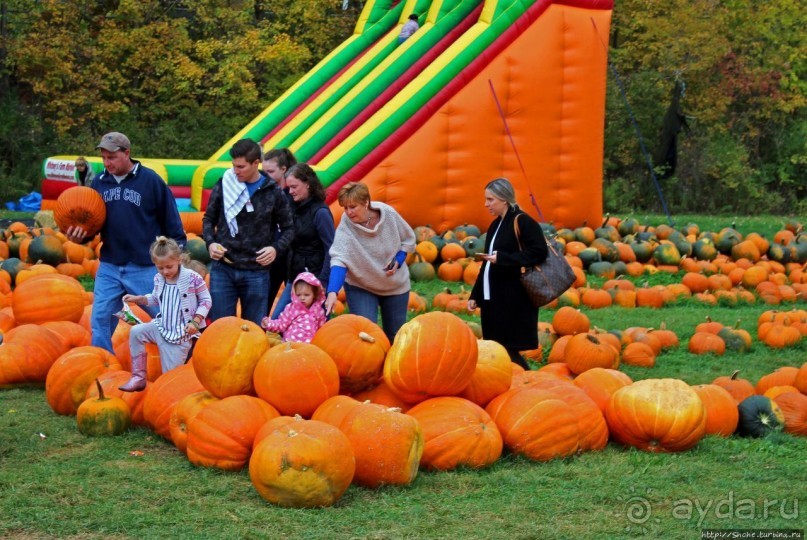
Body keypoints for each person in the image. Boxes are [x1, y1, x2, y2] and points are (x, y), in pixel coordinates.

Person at [65, 132, 187, 353]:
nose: (106, 162)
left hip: (145, 266)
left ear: (127, 153)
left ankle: (183, 359)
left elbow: (172, 224)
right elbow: (92, 224)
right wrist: (79, 236)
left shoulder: (150, 181)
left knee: (166, 316)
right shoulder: (99, 183)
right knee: (100, 319)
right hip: (111, 265)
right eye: (103, 157)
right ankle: (101, 365)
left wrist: (176, 257)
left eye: (111, 157)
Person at [202, 139, 294, 325]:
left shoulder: (273, 191)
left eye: (241, 167)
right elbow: (208, 219)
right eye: (234, 166)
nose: (236, 171)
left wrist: (276, 249)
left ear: (255, 163)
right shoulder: (224, 184)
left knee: (252, 329)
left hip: (256, 271)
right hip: (223, 268)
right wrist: (210, 242)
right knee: (221, 329)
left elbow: (289, 229)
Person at [467, 178, 548, 370]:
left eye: (490, 199)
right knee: (497, 346)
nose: (486, 204)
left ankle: (528, 379)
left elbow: (539, 252)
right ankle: (515, 383)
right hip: (492, 298)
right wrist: (476, 295)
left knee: (507, 348)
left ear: (504, 199)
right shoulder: (496, 225)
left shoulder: (523, 221)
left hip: (513, 297)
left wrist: (503, 258)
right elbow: (487, 263)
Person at [324, 182, 416, 342]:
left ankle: (392, 367)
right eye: (345, 207)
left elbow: (408, 239)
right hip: (361, 285)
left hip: (394, 284)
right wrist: (332, 291)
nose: (348, 212)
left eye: (353, 207)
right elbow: (339, 258)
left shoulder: (388, 214)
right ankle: (370, 368)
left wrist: (399, 260)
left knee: (395, 336)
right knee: (365, 336)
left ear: (366, 202)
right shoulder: (346, 225)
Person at [118, 237, 212, 392]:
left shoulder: (192, 278)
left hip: (179, 334)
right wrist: (139, 299)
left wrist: (195, 321)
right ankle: (138, 377)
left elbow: (206, 300)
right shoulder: (159, 278)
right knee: (135, 332)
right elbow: (155, 298)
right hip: (161, 327)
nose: (165, 271)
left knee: (170, 380)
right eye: (160, 268)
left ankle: (174, 404)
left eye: (169, 267)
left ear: (179, 259)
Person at [270, 163, 334, 318]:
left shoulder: (320, 213)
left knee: (312, 326)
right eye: (289, 187)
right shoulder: (293, 207)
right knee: (279, 320)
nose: (290, 191)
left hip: (314, 280)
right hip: (295, 277)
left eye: (294, 187)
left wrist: (323, 283)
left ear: (307, 184)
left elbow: (331, 250)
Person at [262, 148, 297, 313]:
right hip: (273, 257)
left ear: (283, 170)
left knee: (294, 305)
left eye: (270, 171)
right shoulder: (268, 191)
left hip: (290, 256)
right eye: (264, 171)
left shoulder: (293, 195)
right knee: (264, 302)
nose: (265, 175)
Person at [262, 272, 327, 343]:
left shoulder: (318, 311)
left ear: (314, 294)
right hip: (290, 345)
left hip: (309, 347)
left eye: (306, 295)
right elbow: (281, 324)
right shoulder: (292, 309)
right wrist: (269, 324)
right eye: (298, 295)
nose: (302, 298)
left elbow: (321, 329)